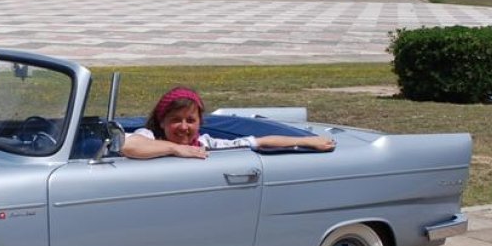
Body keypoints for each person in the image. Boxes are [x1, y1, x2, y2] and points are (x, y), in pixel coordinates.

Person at [122, 87, 336, 159]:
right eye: (176, 120)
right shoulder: (149, 136)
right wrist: (176, 149)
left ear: (200, 122)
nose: (184, 127)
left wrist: (308, 140)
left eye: (191, 120)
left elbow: (260, 142)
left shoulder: (207, 144)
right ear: (162, 121)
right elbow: (127, 146)